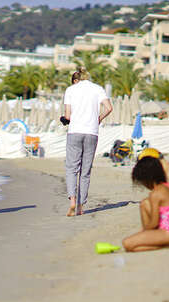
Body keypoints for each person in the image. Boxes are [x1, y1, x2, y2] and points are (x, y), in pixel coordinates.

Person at [62, 67, 113, 216]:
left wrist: (64, 119)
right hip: (92, 132)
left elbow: (68, 116)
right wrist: (98, 119)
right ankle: (80, 206)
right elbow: (109, 108)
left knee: (72, 168)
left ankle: (72, 201)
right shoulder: (97, 89)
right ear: (88, 77)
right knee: (85, 171)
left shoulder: (71, 90)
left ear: (77, 78)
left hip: (75, 131)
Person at [122, 157, 169, 252]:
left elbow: (154, 222)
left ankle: (166, 244)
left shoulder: (156, 194)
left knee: (127, 243)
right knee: (144, 203)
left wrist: (143, 232)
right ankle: (160, 241)